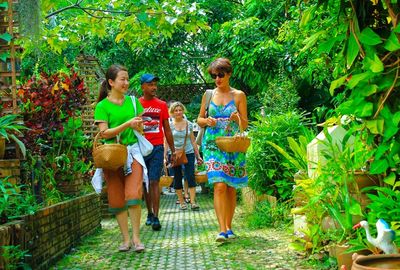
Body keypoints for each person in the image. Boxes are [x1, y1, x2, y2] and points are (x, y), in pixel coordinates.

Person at [94, 64, 146, 252]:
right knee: (116, 198)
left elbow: (141, 128)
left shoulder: (133, 102)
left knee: (133, 194)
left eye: (127, 78)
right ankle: (125, 240)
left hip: (132, 153)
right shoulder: (102, 106)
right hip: (112, 155)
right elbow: (105, 133)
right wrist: (127, 124)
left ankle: (137, 239)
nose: (126, 82)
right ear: (111, 82)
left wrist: (139, 127)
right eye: (122, 79)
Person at [197, 58, 248, 242]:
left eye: (221, 75)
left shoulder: (239, 95)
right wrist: (207, 121)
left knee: (231, 187)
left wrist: (236, 120)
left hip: (233, 144)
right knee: (219, 185)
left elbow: (245, 123)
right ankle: (221, 230)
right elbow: (199, 120)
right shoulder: (208, 94)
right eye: (214, 75)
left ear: (229, 74)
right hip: (212, 143)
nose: (217, 79)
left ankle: (229, 226)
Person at [139, 74, 176, 231]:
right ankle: (148, 213)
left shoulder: (161, 105)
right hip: (140, 148)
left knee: (154, 181)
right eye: (150, 84)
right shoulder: (136, 104)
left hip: (157, 148)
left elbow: (167, 128)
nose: (154, 87)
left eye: (155, 84)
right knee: (144, 182)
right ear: (143, 87)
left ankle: (155, 216)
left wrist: (173, 151)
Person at [165, 101, 202, 210]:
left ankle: (193, 202)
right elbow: (166, 141)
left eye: (180, 110)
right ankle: (181, 202)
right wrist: (164, 156)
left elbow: (193, 140)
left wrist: (198, 155)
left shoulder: (189, 124)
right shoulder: (170, 126)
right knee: (177, 177)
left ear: (183, 111)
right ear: (172, 112)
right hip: (175, 154)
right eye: (176, 110)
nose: (178, 112)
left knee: (190, 176)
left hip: (189, 152)